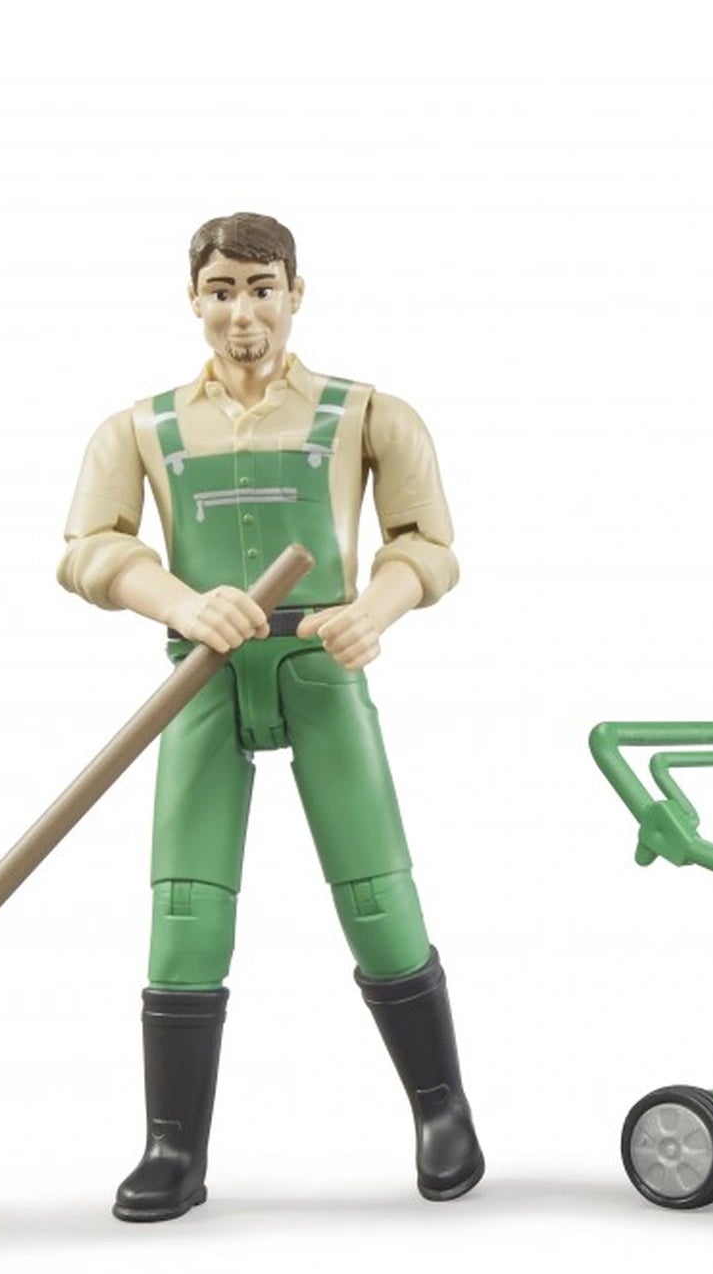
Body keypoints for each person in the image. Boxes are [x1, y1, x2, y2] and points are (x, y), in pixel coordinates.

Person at [58, 210, 485, 1221]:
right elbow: (90, 548)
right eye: (221, 291)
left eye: (261, 289)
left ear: (295, 293)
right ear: (193, 299)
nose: (242, 314)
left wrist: (373, 609)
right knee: (185, 906)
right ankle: (172, 1145)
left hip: (320, 663)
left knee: (377, 892)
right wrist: (179, 604)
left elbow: (427, 543)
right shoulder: (140, 429)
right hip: (202, 675)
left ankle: (443, 1109)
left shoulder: (368, 414)